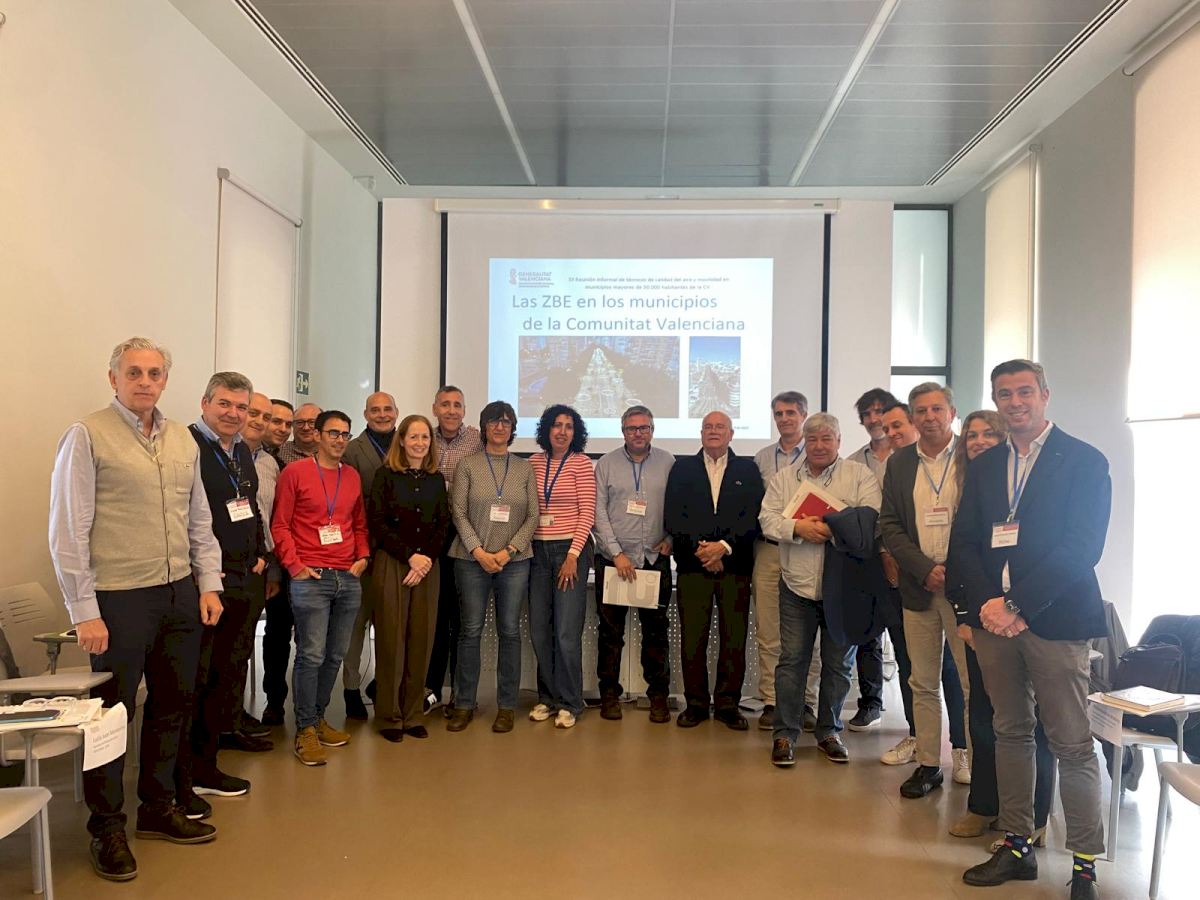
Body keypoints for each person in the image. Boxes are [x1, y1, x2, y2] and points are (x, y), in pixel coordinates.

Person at [49, 337, 221, 881]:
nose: (145, 381)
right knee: (111, 715)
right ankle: (106, 827)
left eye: (154, 373)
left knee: (173, 704)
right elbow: (68, 529)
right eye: (134, 372)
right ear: (114, 378)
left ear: (165, 380)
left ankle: (157, 807)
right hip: (118, 598)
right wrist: (83, 609)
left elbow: (199, 518)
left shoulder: (181, 439)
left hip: (178, 592)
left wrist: (208, 583)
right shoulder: (87, 434)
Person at [951, 360, 1110, 899]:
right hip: (994, 622)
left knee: (1071, 742)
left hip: (1056, 620)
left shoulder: (1084, 460)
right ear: (995, 400)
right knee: (1010, 731)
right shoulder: (987, 464)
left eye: (1024, 391)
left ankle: (1084, 864)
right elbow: (964, 542)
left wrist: (1018, 603)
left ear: (1044, 394)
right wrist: (985, 607)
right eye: (1004, 394)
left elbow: (1082, 548)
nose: (1015, 402)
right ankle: (1017, 844)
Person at [948, 411, 1055, 842]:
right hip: (983, 622)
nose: (978, 441)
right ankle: (984, 805)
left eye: (988, 433)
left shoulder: (1030, 482)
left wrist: (1017, 607)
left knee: (1034, 722)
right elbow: (961, 555)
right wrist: (967, 617)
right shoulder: (970, 483)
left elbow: (1044, 554)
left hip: (1034, 617)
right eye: (971, 435)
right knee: (983, 716)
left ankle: (1035, 817)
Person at [759, 413, 881, 765]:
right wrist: (797, 528)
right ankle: (785, 734)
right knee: (791, 662)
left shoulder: (859, 475)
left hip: (843, 589)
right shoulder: (785, 478)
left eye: (827, 438)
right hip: (796, 585)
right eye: (812, 439)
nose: (819, 445)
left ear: (839, 441)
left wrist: (830, 528)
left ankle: (829, 731)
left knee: (838, 664)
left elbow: (871, 518)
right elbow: (767, 519)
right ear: (804, 442)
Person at [176, 373, 270, 822]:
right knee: (197, 680)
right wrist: (205, 577)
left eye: (241, 407)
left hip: (243, 579)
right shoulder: (189, 446)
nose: (234, 414)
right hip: (206, 584)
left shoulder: (241, 452)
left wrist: (259, 553)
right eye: (225, 404)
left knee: (227, 675)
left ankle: (207, 766)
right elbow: (189, 518)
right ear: (205, 403)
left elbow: (248, 507)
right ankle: (183, 777)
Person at [879, 383, 971, 799]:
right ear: (913, 417)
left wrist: (953, 570)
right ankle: (929, 764)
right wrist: (923, 569)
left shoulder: (972, 455)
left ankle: (970, 756)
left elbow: (983, 519)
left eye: (937, 409)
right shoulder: (899, 462)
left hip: (964, 589)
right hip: (919, 588)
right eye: (921, 410)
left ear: (951, 412)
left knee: (970, 682)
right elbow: (890, 524)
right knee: (923, 681)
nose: (929, 417)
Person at [272, 410, 371, 766]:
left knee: (335, 654)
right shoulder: (295, 473)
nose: (340, 440)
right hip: (310, 576)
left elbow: (358, 524)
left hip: (347, 576)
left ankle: (318, 718)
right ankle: (304, 730)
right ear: (317, 435)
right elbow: (280, 525)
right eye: (333, 433)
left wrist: (363, 555)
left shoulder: (352, 476)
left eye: (345, 434)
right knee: (311, 654)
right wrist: (294, 566)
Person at [665, 411, 764, 730]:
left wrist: (724, 547)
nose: (713, 431)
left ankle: (727, 705)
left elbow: (754, 515)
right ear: (700, 433)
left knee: (734, 639)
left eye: (720, 427)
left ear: (731, 434)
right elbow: (673, 515)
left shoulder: (748, 469)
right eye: (708, 426)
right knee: (693, 638)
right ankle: (695, 704)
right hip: (693, 567)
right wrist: (705, 551)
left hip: (735, 567)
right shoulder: (682, 468)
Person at [446, 401, 538, 733]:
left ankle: (507, 706)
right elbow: (458, 511)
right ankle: (464, 704)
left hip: (514, 562)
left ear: (513, 429)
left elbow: (533, 516)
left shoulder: (524, 468)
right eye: (494, 421)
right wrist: (479, 551)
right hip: (471, 560)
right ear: (484, 427)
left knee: (509, 632)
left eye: (506, 422)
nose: (500, 427)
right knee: (470, 631)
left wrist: (509, 551)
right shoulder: (468, 465)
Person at [366, 414, 450, 742]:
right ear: (401, 440)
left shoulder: (435, 479)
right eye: (413, 437)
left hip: (427, 567)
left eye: (425, 437)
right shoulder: (385, 475)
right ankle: (389, 715)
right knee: (391, 640)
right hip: (393, 563)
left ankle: (413, 713)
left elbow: (443, 523)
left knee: (421, 641)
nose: (419, 443)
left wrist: (425, 559)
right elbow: (377, 521)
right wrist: (409, 556)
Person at [592, 405, 675, 724]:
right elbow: (598, 512)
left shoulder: (668, 462)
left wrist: (670, 537)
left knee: (656, 634)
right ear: (622, 431)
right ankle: (609, 695)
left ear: (652, 430)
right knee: (610, 634)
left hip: (653, 560)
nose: (637, 433)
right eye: (631, 428)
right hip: (614, 563)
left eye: (644, 428)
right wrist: (616, 553)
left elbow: (678, 506)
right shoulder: (606, 464)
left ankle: (658, 697)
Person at [528, 404, 596, 729]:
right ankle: (548, 698)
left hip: (570, 551)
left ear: (575, 432)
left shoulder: (581, 463)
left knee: (567, 633)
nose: (563, 431)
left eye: (569, 426)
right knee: (540, 631)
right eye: (557, 425)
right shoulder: (532, 463)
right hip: (537, 552)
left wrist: (572, 555)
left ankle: (571, 702)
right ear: (547, 429)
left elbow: (587, 512)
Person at [424, 385, 484, 714]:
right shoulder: (422, 436)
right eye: (445, 404)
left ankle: (460, 695)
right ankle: (431, 688)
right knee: (435, 616)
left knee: (461, 618)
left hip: (465, 535)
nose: (451, 410)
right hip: (431, 536)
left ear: (464, 410)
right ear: (435, 408)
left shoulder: (477, 439)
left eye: (457, 405)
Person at [844, 388, 899, 734]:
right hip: (866, 558)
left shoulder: (908, 454)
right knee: (868, 635)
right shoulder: (852, 462)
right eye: (867, 414)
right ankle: (870, 703)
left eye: (880, 411)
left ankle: (917, 720)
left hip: (903, 559)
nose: (874, 419)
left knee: (908, 639)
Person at [751, 391, 807, 731]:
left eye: (790, 413)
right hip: (769, 549)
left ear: (803, 415)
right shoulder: (761, 458)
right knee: (769, 629)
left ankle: (807, 701)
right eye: (779, 414)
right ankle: (771, 700)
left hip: (808, 549)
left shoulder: (818, 453)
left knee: (809, 632)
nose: (784, 419)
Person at [341, 391, 399, 719]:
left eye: (387, 409)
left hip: (396, 552)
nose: (382, 415)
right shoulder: (352, 450)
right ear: (365, 414)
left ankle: (382, 685)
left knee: (391, 624)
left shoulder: (407, 445)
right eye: (375, 410)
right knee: (356, 624)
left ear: (396, 412)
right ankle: (351, 688)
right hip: (361, 551)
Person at [238, 392, 281, 735]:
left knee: (241, 648)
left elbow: (273, 519)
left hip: (259, 566)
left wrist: (272, 567)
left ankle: (234, 718)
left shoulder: (269, 464)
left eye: (265, 417)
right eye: (253, 413)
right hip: (223, 567)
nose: (260, 421)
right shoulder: (216, 455)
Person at [261, 398, 297, 724]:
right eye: (277, 421)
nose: (283, 428)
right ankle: (273, 701)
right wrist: (274, 569)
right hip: (271, 564)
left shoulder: (276, 461)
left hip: (299, 561)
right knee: (276, 634)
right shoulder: (259, 458)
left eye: (289, 423)